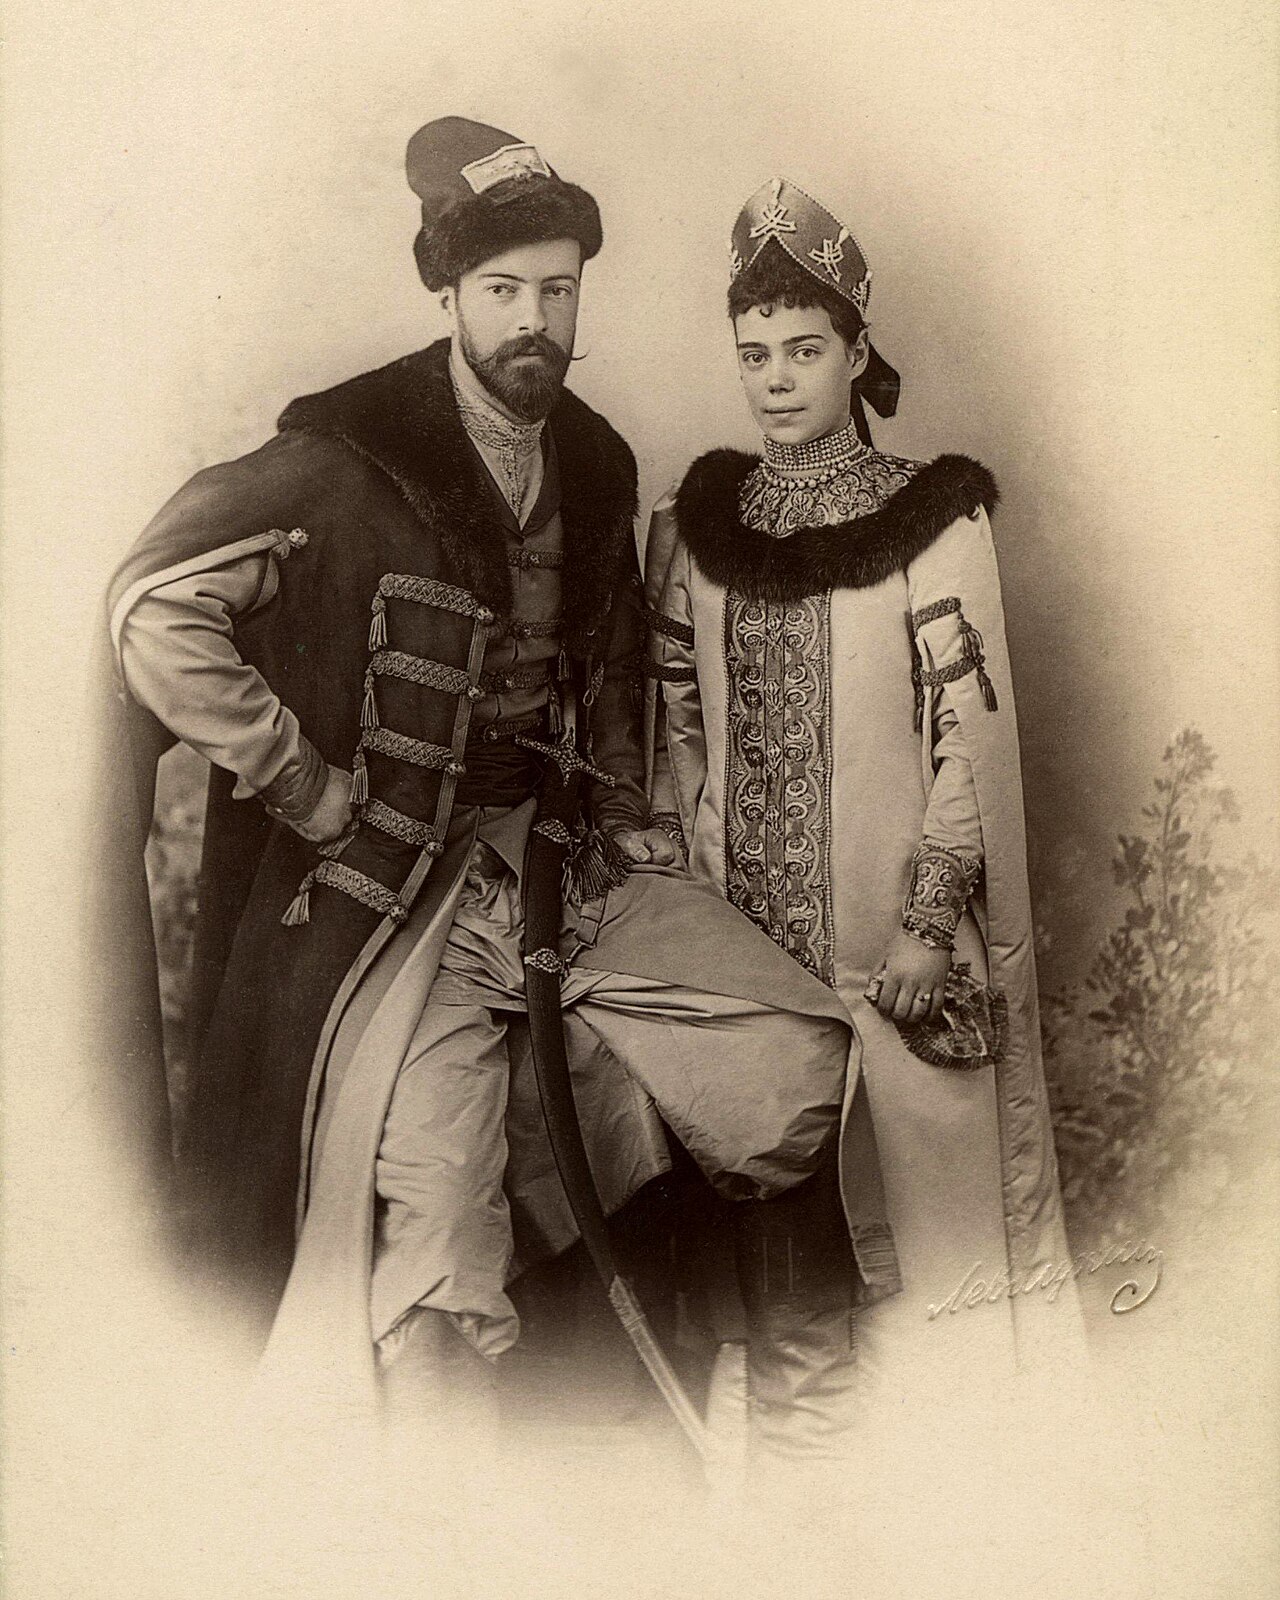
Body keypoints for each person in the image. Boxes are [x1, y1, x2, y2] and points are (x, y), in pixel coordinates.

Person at [95, 126, 901, 1451]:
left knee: (794, 1057)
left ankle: (808, 1454)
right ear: (449, 294)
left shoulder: (596, 459)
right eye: (504, 290)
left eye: (558, 290)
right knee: (438, 1204)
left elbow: (617, 673)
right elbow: (151, 607)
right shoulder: (345, 453)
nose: (534, 319)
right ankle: (450, 1515)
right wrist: (304, 784)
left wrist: (626, 815)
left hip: (561, 863)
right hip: (383, 891)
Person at [642, 177, 1083, 1466]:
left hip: (894, 969)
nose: (777, 380)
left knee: (920, 1294)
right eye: (754, 355)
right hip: (746, 982)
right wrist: (693, 904)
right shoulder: (692, 527)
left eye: (804, 350)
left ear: (854, 352)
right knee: (777, 1305)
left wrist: (930, 925)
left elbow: (965, 744)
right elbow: (676, 735)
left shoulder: (930, 520)